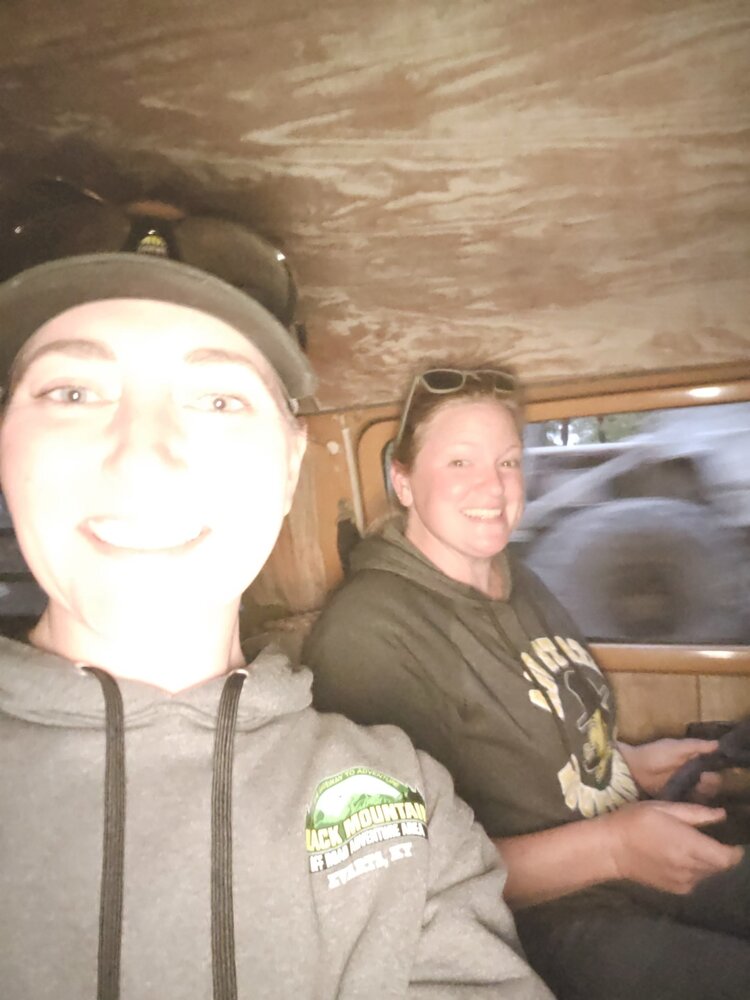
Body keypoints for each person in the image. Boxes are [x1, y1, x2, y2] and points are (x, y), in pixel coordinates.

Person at [0, 269, 552, 1000]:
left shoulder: (404, 802)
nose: (141, 453)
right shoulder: (376, 631)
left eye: (219, 400)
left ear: (293, 464)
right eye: (72, 392)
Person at [305, 366, 750, 1000]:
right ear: (402, 481)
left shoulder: (515, 578)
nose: (493, 486)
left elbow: (534, 744)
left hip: (621, 844)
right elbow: (400, 875)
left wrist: (629, 765)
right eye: (460, 461)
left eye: (509, 461)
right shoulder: (366, 636)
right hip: (531, 920)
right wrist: (614, 849)